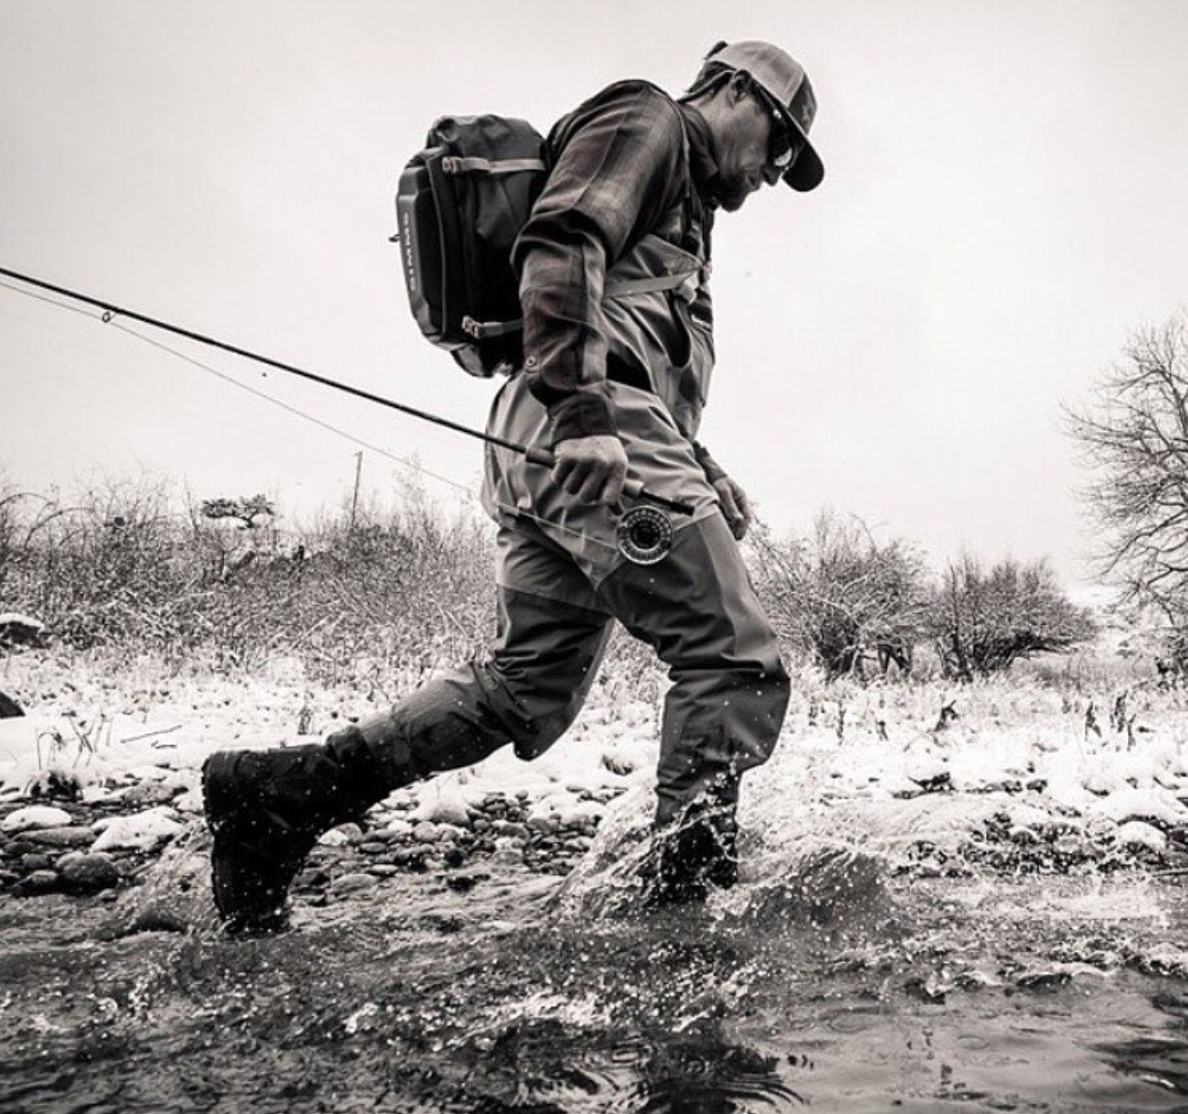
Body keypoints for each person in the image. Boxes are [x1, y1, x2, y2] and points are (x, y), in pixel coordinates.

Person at [203, 40, 825, 933]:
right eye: (781, 142)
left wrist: (702, 467)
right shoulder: (647, 118)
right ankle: (683, 929)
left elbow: (634, 349)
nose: (776, 169)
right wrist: (582, 416)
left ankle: (280, 799)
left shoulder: (688, 214)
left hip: (553, 437)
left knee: (523, 689)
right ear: (734, 91)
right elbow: (561, 240)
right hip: (578, 427)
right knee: (732, 660)